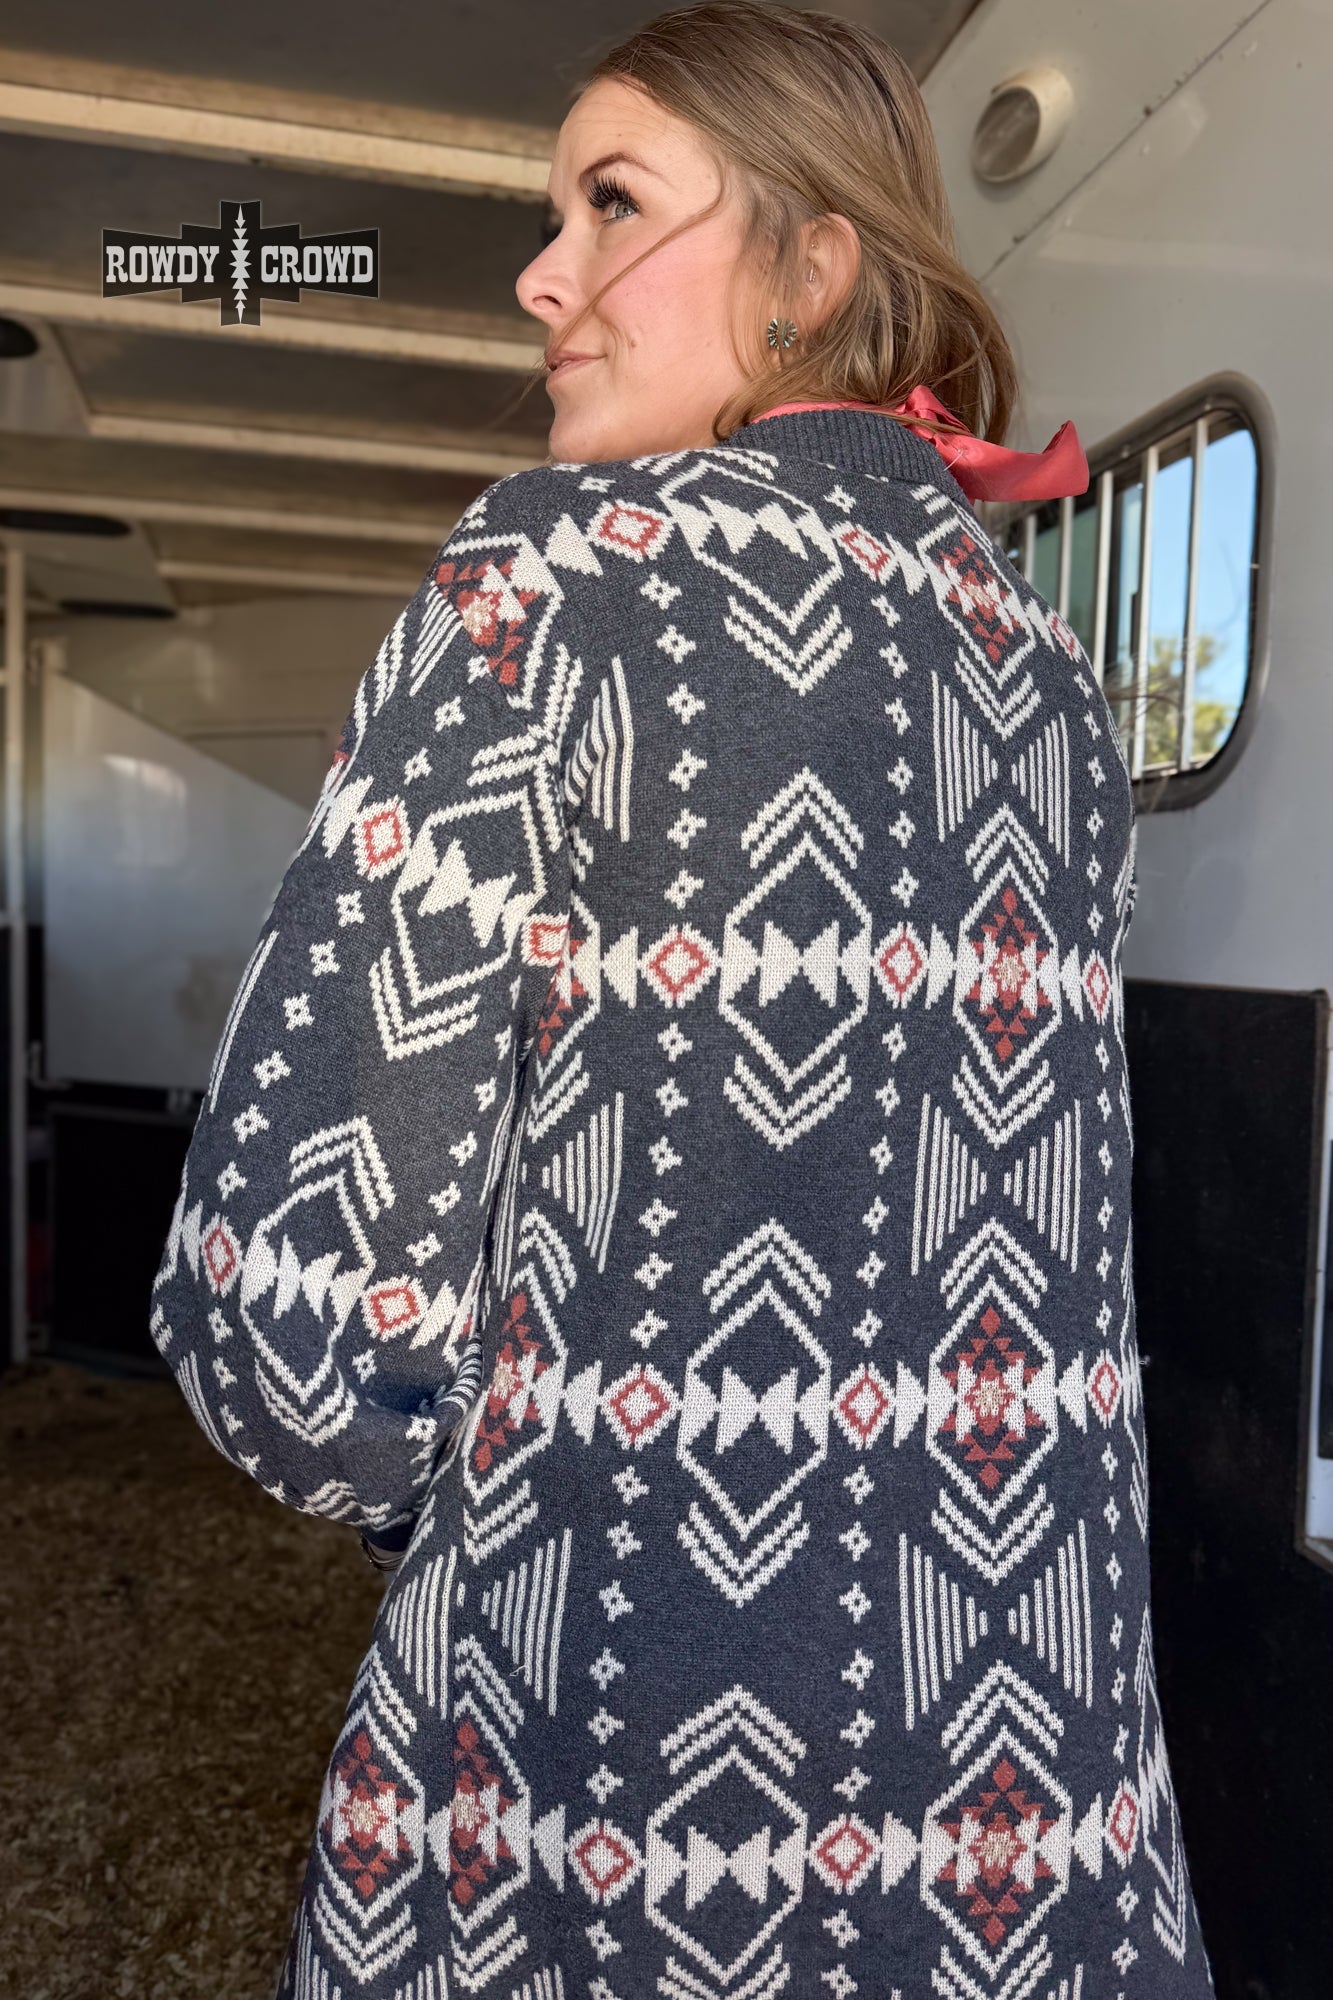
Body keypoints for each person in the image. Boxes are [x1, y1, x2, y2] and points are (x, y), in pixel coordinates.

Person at [151, 4, 1215, 1993]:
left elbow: (296, 1327)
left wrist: (518, 1480)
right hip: (1029, 1811)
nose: (540, 274)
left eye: (612, 203)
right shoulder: (1049, 680)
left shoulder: (554, 584)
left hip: (618, 1788)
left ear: (814, 261)